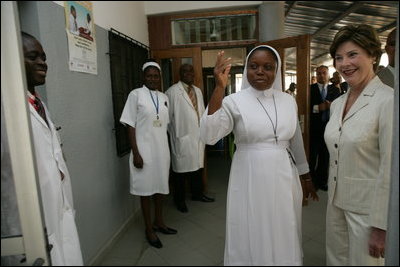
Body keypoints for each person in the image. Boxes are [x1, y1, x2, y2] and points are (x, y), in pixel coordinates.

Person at [200, 46, 318, 265]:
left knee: (283, 223)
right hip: (249, 174)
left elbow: (295, 140)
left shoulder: (288, 101)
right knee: (251, 223)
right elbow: (209, 134)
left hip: (284, 173)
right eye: (253, 66)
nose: (260, 72)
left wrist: (306, 176)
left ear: (277, 71)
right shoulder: (233, 101)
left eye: (268, 67)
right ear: (246, 70)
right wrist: (219, 87)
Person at [325, 24, 394, 265]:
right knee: (336, 261)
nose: (344, 64)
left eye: (353, 54)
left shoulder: (388, 101)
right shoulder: (337, 103)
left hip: (367, 211)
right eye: (339, 57)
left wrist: (382, 225)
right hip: (335, 202)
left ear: (373, 55)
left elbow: (390, 168)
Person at [21, 32, 83, 265]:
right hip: (33, 222)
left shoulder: (39, 104)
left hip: (59, 209)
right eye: (33, 56)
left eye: (44, 57)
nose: (42, 62)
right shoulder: (7, 108)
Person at [120, 60, 177, 249]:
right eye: (149, 75)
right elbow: (130, 124)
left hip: (161, 151)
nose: (153, 78)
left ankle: (159, 222)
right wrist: (136, 152)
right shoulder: (135, 95)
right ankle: (148, 229)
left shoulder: (164, 97)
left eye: (156, 76)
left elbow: (165, 125)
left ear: (160, 78)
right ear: (143, 77)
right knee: (145, 190)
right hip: (143, 152)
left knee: (160, 187)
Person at [165, 63, 214, 213]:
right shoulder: (172, 92)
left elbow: (200, 112)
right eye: (185, 71)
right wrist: (177, 134)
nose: (189, 74)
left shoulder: (197, 91)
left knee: (197, 169)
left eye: (191, 71)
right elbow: (167, 119)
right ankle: (179, 201)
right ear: (180, 74)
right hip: (182, 138)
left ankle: (197, 194)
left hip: (197, 137)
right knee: (180, 173)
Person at [309, 65, 340, 191]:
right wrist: (318, 108)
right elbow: (305, 107)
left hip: (329, 128)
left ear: (328, 74)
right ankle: (312, 183)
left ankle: (322, 181)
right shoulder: (310, 89)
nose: (322, 75)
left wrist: (331, 106)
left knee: (325, 157)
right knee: (312, 157)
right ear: (316, 75)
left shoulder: (335, 90)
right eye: (319, 73)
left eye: (324, 73)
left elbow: (339, 108)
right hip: (314, 129)